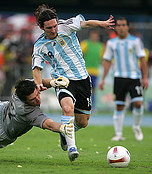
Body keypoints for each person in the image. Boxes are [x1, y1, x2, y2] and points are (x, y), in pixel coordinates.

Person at [32, 4, 115, 162]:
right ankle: (72, 148)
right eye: (49, 28)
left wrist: (102, 24)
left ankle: (64, 132)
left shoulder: (65, 26)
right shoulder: (39, 46)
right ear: (41, 27)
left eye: (55, 25)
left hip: (83, 79)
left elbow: (86, 23)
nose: (54, 30)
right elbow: (36, 68)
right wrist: (37, 85)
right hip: (63, 80)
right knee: (67, 108)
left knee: (82, 122)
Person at [99, 17, 148, 141]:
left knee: (138, 103)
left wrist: (145, 77)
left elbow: (142, 59)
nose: (121, 28)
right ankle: (118, 134)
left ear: (128, 27)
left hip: (134, 77)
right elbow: (107, 61)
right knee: (119, 106)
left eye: (123, 25)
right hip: (119, 77)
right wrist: (103, 79)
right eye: (119, 25)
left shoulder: (135, 41)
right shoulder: (111, 43)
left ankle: (136, 127)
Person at [81, 30, 104, 111]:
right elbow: (79, 54)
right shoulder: (85, 44)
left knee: (93, 89)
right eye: (93, 35)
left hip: (95, 71)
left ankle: (93, 106)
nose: (94, 37)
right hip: (85, 71)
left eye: (96, 36)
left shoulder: (101, 46)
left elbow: (102, 59)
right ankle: (83, 105)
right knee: (84, 89)